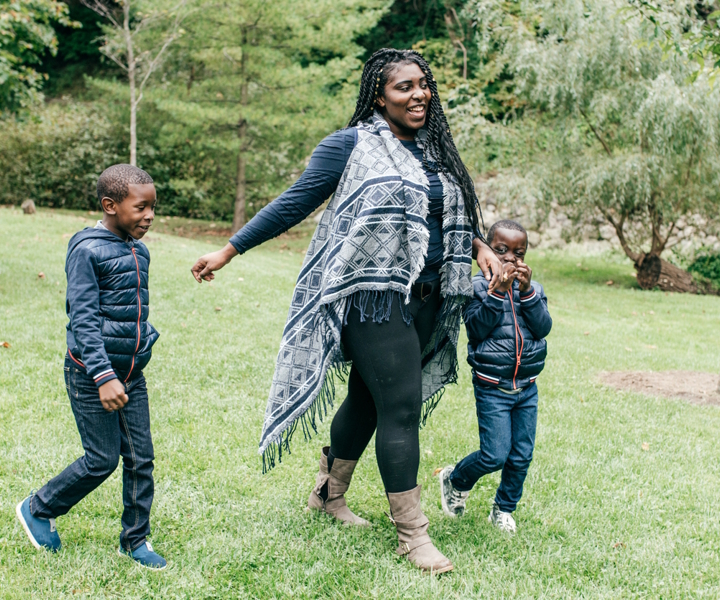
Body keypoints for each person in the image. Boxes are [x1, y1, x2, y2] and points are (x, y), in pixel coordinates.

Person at [191, 48, 502, 574]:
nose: (419, 94)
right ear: (379, 96)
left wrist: (479, 247)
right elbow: (295, 200)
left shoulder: (432, 150)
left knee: (368, 396)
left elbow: (442, 210)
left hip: (429, 296)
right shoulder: (352, 146)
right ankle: (413, 535)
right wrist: (229, 249)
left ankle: (327, 495)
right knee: (401, 407)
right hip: (370, 297)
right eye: (404, 87)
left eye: (423, 84)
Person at [16, 164, 166, 570]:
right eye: (141, 208)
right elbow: (83, 319)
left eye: (153, 207)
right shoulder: (86, 250)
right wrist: (103, 376)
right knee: (102, 459)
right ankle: (38, 507)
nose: (150, 215)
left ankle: (135, 541)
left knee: (142, 459)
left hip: (132, 376)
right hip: (92, 375)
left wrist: (144, 340)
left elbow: (129, 310)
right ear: (110, 205)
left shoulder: (140, 250)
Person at [438, 219, 552, 534]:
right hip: (492, 386)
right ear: (488, 249)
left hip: (527, 387)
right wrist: (497, 293)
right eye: (502, 250)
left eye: (519, 252)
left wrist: (527, 292)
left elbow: (543, 328)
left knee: (521, 455)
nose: (511, 259)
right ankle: (456, 479)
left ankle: (503, 509)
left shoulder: (534, 289)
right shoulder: (477, 287)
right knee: (494, 454)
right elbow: (476, 330)